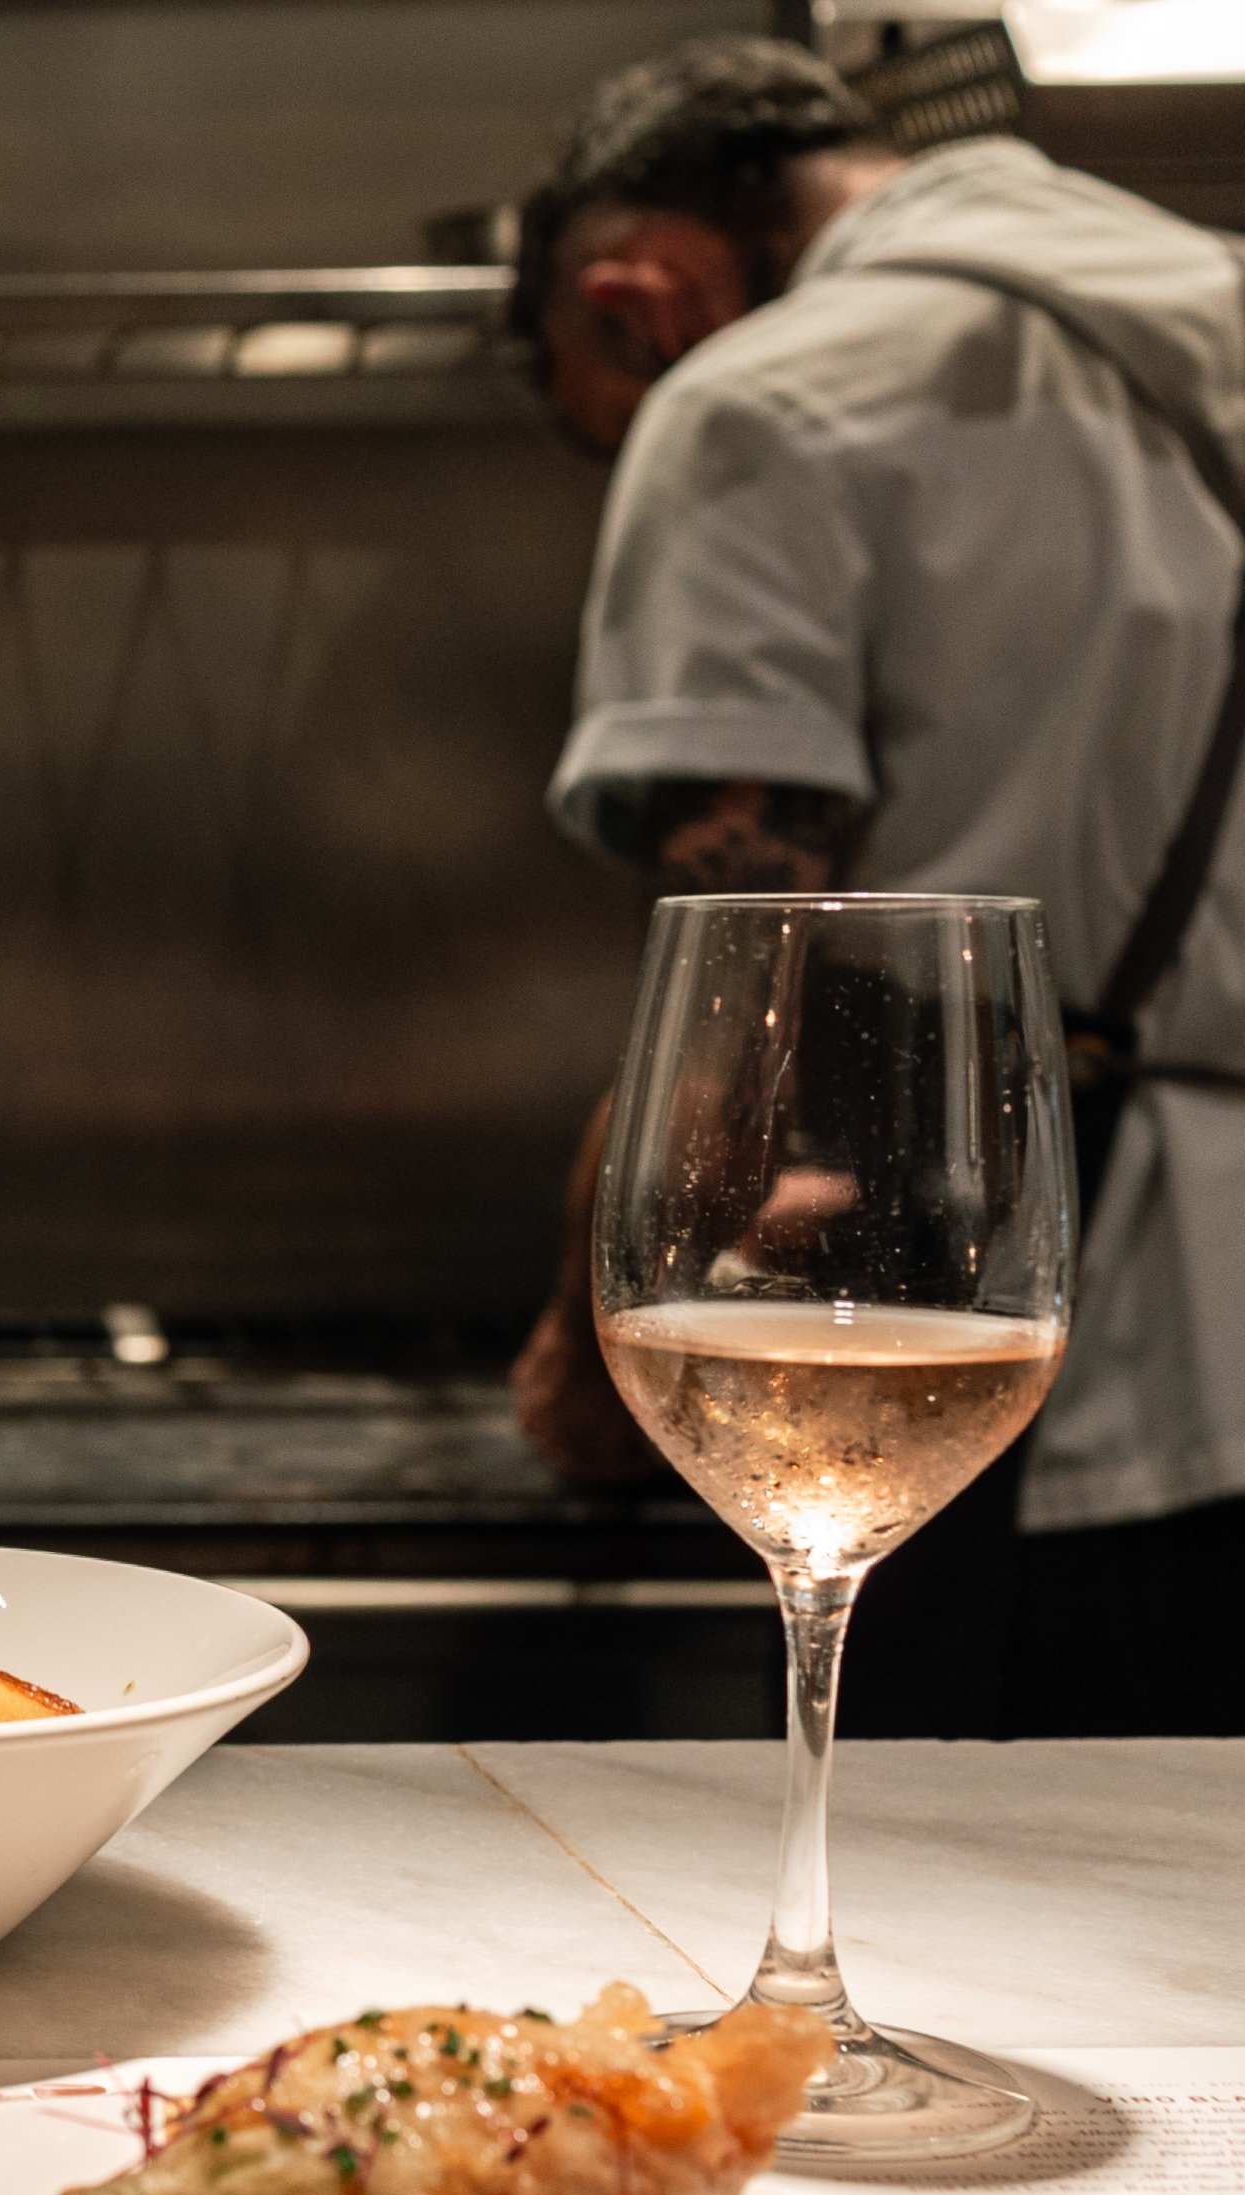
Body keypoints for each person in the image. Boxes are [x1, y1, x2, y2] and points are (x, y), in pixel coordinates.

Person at [503, 39, 1245, 1734]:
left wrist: (593, 1339)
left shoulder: (762, 398)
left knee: (998, 1920)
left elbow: (744, 988)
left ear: (638, 299)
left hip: (1082, 1356)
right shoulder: (1209, 290)